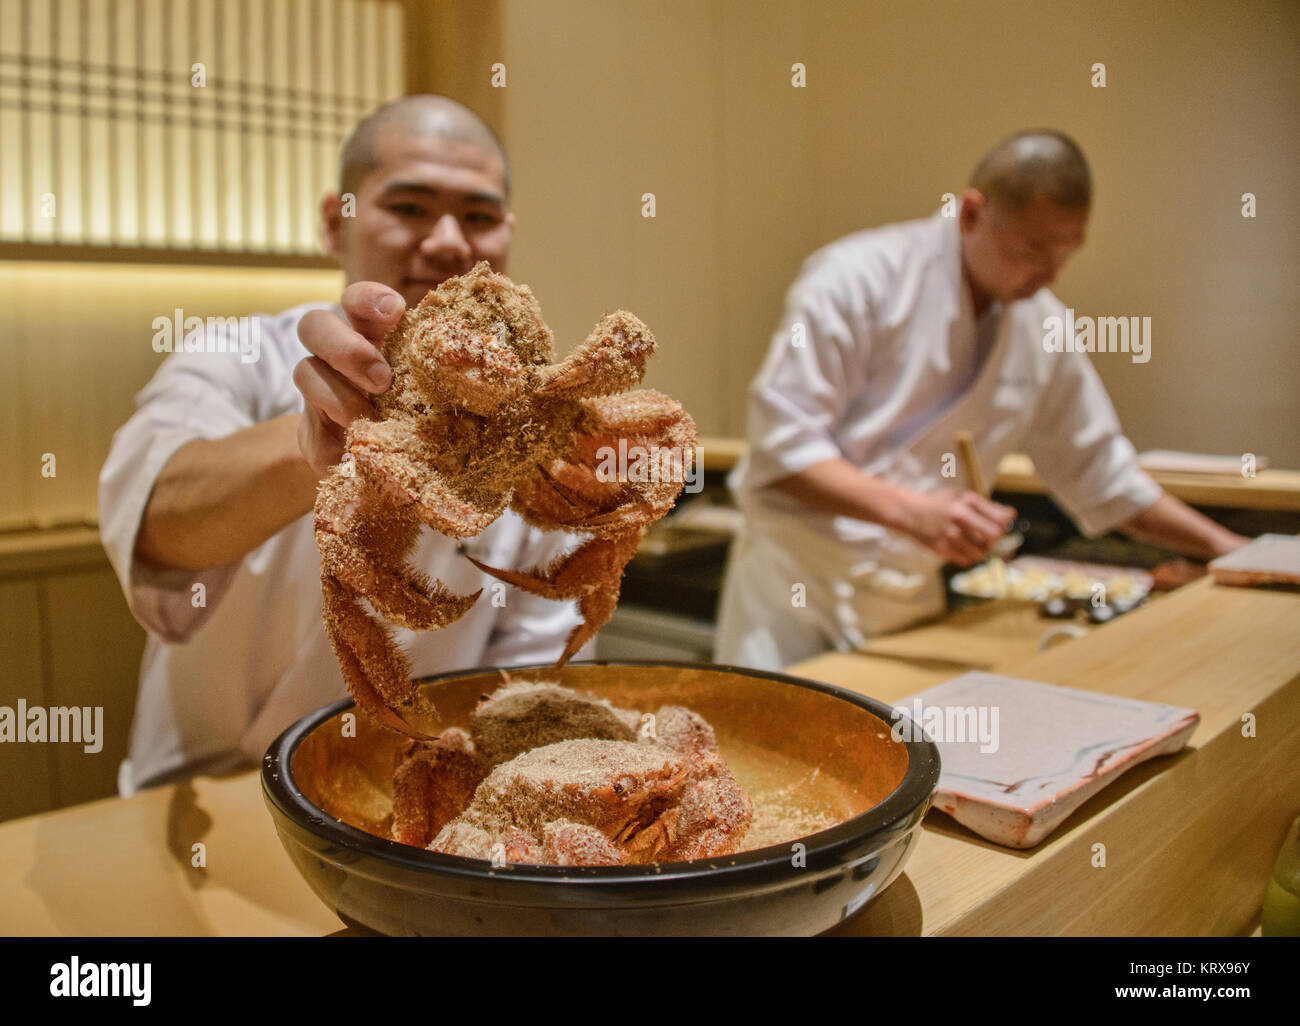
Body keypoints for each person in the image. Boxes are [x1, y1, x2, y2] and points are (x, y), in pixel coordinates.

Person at [100, 95, 589, 794]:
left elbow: (527, 694)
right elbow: (152, 518)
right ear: (338, 221)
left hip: (406, 809)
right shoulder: (238, 354)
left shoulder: (535, 434)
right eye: (410, 206)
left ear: (507, 234)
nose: (449, 240)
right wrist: (320, 444)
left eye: (478, 216)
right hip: (198, 789)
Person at [716, 130, 1247, 671]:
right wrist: (916, 512)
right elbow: (782, 454)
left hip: (907, 606)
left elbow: (1102, 474)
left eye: (1065, 255)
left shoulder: (1043, 326)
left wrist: (1236, 552)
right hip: (795, 593)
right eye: (1032, 251)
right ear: (972, 212)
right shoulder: (855, 279)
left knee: (903, 747)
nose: (1047, 276)